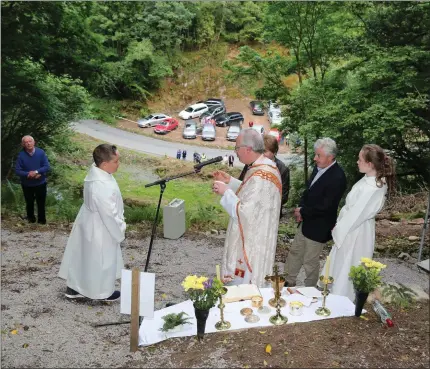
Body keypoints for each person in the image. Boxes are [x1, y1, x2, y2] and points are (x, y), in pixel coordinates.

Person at [321, 144, 395, 302]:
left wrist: (339, 229)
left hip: (356, 231)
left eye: (360, 159)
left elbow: (356, 214)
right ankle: (335, 294)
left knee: (349, 262)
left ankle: (342, 298)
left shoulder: (373, 188)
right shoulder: (368, 179)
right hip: (351, 227)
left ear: (370, 164)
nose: (357, 162)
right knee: (341, 261)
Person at [212, 129, 282, 287]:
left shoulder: (261, 176)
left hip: (251, 243)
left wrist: (226, 192)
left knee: (243, 287)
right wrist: (230, 181)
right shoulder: (264, 167)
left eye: (237, 148)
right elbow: (250, 194)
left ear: (248, 149)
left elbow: (246, 213)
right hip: (255, 235)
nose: (236, 153)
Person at [59, 144, 125, 301]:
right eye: (116, 161)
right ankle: (102, 292)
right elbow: (109, 213)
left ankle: (75, 288)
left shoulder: (96, 172)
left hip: (88, 220)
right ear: (104, 164)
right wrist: (120, 228)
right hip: (100, 225)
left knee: (83, 256)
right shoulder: (101, 184)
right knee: (101, 258)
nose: (118, 164)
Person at [285, 138, 347, 288]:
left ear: (330, 157)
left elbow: (326, 207)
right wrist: (300, 208)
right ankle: (288, 281)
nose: (315, 158)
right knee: (295, 252)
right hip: (306, 222)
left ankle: (310, 288)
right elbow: (308, 192)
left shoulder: (338, 177)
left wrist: (303, 211)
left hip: (319, 227)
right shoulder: (318, 168)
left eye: (318, 155)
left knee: (310, 261)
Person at [238, 135, 290, 218]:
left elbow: (283, 196)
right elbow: (241, 183)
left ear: (274, 152)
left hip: (270, 215)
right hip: (249, 211)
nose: (261, 155)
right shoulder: (251, 164)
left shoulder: (282, 169)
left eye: (265, 151)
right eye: (260, 151)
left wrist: (260, 202)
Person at [15, 135, 51, 224]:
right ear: (23, 144)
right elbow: (18, 170)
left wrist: (36, 172)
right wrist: (28, 174)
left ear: (34, 142)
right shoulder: (21, 155)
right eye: (26, 142)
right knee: (29, 203)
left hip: (40, 183)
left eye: (30, 141)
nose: (28, 143)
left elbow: (47, 166)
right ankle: (31, 220)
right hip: (27, 184)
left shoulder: (41, 152)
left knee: (41, 203)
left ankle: (42, 222)